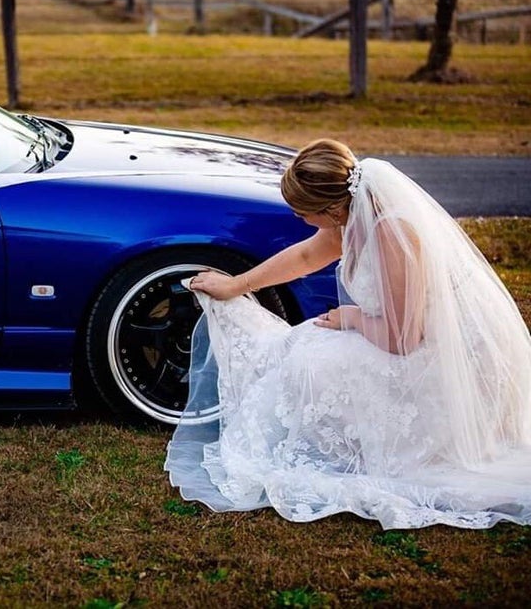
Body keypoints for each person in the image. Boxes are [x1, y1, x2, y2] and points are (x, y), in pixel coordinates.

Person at [165, 138, 531, 530]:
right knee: (305, 344)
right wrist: (239, 284)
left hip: (432, 361)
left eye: (303, 212)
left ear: (332, 208)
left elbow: (404, 339)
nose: (299, 219)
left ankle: (341, 448)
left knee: (314, 357)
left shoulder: (393, 232)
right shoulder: (354, 215)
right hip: (398, 337)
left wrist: (352, 318)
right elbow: (306, 256)